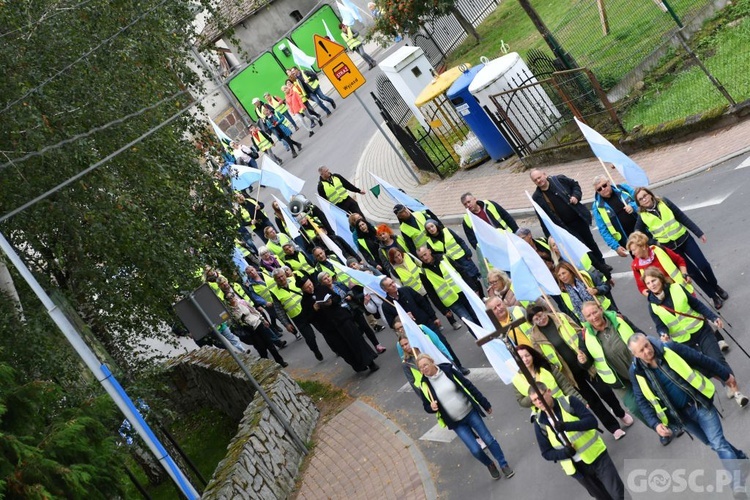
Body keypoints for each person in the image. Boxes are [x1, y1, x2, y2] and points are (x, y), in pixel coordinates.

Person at [628, 333, 750, 498]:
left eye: (647, 345)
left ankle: (738, 486)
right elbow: (641, 400)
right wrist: (655, 424)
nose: (647, 351)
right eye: (641, 350)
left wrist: (725, 375)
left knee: (718, 443)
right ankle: (741, 459)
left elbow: (700, 359)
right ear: (635, 355)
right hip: (681, 417)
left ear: (649, 342)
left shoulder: (669, 348)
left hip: (699, 403)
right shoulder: (636, 372)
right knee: (714, 443)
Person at [642, 267, 746, 405]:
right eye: (648, 283)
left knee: (717, 359)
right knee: (704, 367)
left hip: (701, 330)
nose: (652, 285)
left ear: (660, 278)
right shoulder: (652, 306)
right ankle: (725, 381)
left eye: (653, 280)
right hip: (683, 342)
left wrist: (713, 317)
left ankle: (737, 392)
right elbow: (659, 325)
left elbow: (697, 305)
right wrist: (663, 334)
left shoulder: (677, 288)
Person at [528, 304, 629, 439]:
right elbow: (543, 357)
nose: (540, 320)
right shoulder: (535, 337)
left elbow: (581, 332)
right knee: (592, 401)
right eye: (536, 319)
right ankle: (613, 428)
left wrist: (583, 352)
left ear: (545, 311)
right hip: (569, 374)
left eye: (541, 315)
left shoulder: (561, 318)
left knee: (605, 391)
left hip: (585, 364)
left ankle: (620, 412)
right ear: (532, 322)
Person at [413, 354, 515, 480]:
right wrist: (431, 407)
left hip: (470, 412)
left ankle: (503, 464)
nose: (424, 369)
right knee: (475, 450)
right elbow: (426, 406)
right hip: (456, 422)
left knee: (488, 439)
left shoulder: (448, 371)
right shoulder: (424, 385)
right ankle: (490, 464)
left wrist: (484, 403)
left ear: (432, 362)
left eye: (425, 365)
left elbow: (468, 385)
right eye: (421, 368)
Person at [634, 186, 728, 309]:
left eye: (645, 196)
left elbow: (681, 216)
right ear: (639, 203)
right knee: (693, 273)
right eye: (641, 199)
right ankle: (713, 296)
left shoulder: (664, 202)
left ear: (650, 194)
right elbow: (638, 233)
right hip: (670, 248)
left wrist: (698, 232)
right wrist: (654, 242)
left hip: (685, 239)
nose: (644, 199)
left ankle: (715, 286)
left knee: (703, 264)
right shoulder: (642, 216)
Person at [530, 383, 626, 500]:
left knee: (617, 493)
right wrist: (565, 453)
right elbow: (546, 453)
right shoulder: (540, 423)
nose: (539, 401)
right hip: (578, 469)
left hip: (597, 456)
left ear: (549, 391)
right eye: (535, 400)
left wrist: (567, 426)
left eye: (541, 396)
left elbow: (591, 422)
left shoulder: (569, 402)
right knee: (602, 497)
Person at [579, 302, 642, 435]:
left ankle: (672, 424)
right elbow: (587, 363)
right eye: (588, 315)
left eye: (595, 312)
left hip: (640, 368)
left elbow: (639, 334)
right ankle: (657, 428)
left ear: (601, 309)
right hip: (618, 381)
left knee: (655, 396)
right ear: (585, 319)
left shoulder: (619, 319)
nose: (593, 317)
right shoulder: (584, 336)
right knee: (635, 407)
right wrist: (583, 361)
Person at [530, 169, 609, 272]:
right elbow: (542, 219)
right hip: (565, 228)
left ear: (544, 174)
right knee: (582, 248)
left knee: (591, 243)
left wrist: (576, 196)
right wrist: (550, 236)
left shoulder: (559, 180)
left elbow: (575, 185)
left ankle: (602, 263)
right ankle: (600, 269)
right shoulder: (537, 198)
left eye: (539, 177)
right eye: (535, 180)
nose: (539, 181)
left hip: (578, 218)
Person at [310, 276, 380, 373]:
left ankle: (370, 362)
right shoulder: (306, 301)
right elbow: (310, 318)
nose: (310, 288)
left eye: (310, 285)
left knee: (356, 340)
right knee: (346, 349)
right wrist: (315, 310)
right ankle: (359, 365)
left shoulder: (323, 289)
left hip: (342, 319)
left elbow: (337, 297)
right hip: (331, 327)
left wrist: (331, 302)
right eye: (307, 287)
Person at [318, 271, 386, 353]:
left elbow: (349, 290)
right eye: (325, 279)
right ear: (322, 282)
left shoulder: (338, 284)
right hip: (343, 315)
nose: (328, 279)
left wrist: (350, 295)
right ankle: (367, 352)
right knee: (356, 334)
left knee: (366, 327)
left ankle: (377, 345)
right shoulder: (325, 292)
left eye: (328, 276)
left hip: (353, 308)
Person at [417, 246, 478, 329]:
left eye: (425, 254)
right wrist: (443, 310)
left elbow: (461, 271)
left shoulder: (444, 258)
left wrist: (473, 288)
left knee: (477, 316)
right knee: (469, 322)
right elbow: (432, 294)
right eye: (421, 257)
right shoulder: (423, 272)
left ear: (429, 251)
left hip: (462, 292)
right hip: (451, 301)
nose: (424, 258)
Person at [269, 269, 324, 360]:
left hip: (310, 309)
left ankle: (335, 348)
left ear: (285, 275)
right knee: (310, 337)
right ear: (275, 280)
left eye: (282, 276)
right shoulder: (274, 292)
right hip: (297, 317)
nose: (281, 279)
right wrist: (286, 323)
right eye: (278, 278)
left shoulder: (294, 280)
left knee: (324, 329)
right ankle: (315, 350)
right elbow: (279, 310)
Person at [224, 292, 287, 367]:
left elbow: (254, 311)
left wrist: (263, 320)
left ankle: (280, 361)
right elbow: (233, 324)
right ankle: (267, 366)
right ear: (227, 300)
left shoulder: (243, 302)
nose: (232, 298)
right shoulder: (230, 311)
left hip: (258, 324)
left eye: (232, 296)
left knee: (270, 345)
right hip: (249, 331)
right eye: (229, 298)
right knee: (261, 348)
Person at [424, 218, 482, 297]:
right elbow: (434, 256)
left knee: (473, 278)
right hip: (451, 264)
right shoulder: (429, 242)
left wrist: (467, 252)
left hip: (462, 258)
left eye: (432, 226)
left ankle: (482, 296)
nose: (431, 229)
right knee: (464, 281)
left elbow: (460, 241)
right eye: (428, 228)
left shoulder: (447, 231)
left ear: (436, 225)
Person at [512, 345, 582, 409]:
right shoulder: (517, 379)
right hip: (544, 414)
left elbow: (565, 386)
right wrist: (534, 396)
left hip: (564, 405)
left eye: (527, 355)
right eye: (521, 358)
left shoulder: (547, 367)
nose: (525, 359)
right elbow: (521, 401)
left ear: (532, 355)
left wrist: (581, 401)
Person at [627, 231, 694, 297]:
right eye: (631, 251)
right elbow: (642, 288)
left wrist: (685, 274)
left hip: (683, 291)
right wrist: (654, 297)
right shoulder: (635, 266)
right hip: (666, 300)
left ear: (643, 246)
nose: (633, 253)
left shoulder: (659, 250)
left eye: (634, 250)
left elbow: (679, 260)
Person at [395, 321, 469, 377]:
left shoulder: (421, 328)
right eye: (397, 329)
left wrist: (449, 358)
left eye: (401, 327)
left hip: (438, 360)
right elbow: (406, 361)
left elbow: (438, 344)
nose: (400, 330)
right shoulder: (399, 344)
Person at [592, 176, 638, 257]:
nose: (603, 189)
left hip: (643, 231)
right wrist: (615, 246)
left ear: (609, 182)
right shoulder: (598, 207)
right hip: (629, 241)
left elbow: (640, 201)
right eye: (599, 189)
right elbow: (603, 230)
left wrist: (632, 206)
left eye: (604, 185)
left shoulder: (623, 189)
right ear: (597, 192)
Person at [380, 276, 445, 331]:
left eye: (393, 282)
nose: (393, 285)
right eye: (390, 285)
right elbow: (392, 324)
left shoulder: (407, 290)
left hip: (426, 322)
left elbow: (423, 303)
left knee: (442, 342)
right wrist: (402, 318)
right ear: (385, 290)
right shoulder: (386, 305)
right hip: (411, 330)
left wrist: (434, 317)